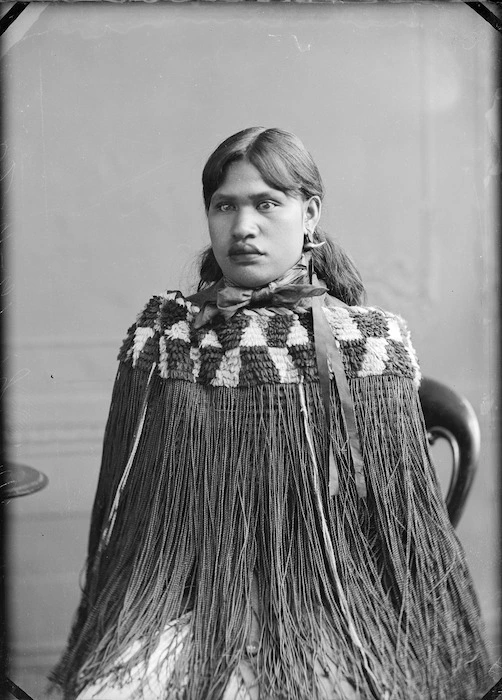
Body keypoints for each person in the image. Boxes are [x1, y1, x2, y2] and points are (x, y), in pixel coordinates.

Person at [51, 127, 490, 700]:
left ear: (309, 214)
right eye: (224, 205)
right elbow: (142, 517)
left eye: (267, 204)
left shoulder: (370, 342)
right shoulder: (168, 336)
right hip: (193, 592)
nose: (243, 227)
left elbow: (399, 525)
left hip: (332, 599)